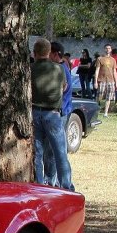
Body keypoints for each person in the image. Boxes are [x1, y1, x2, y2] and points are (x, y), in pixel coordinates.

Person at [31, 38, 73, 191]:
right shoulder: (59, 69)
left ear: (34, 53)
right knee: (60, 152)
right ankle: (66, 185)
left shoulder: (30, 68)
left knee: (37, 152)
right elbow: (64, 87)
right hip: (53, 114)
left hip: (35, 112)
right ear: (49, 53)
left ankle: (39, 184)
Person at [95, 44, 117, 117]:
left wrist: (116, 83)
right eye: (106, 48)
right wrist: (95, 81)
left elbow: (114, 71)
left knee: (109, 97)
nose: (108, 49)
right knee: (99, 95)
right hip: (102, 80)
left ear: (111, 50)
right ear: (104, 49)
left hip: (111, 81)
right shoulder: (100, 59)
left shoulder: (113, 60)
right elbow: (97, 70)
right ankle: (96, 110)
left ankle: (106, 113)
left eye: (109, 48)